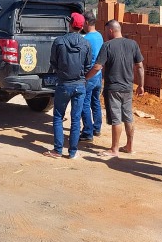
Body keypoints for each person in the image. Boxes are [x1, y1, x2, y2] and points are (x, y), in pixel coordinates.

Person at [85, 20, 144, 157]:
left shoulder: (107, 46)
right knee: (128, 117)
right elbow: (140, 66)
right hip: (128, 87)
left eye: (106, 31)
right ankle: (129, 146)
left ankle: (114, 149)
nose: (105, 34)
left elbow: (97, 67)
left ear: (111, 30)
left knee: (116, 118)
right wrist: (141, 85)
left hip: (113, 88)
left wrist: (86, 78)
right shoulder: (133, 44)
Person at [44, 12, 92, 159]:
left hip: (63, 84)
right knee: (75, 119)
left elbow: (53, 62)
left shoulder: (59, 41)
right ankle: (72, 152)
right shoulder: (86, 44)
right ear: (82, 26)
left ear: (70, 24)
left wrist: (60, 71)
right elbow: (88, 65)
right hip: (79, 85)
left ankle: (58, 150)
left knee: (58, 116)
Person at [79, 10, 104, 143]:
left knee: (84, 103)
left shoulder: (86, 39)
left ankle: (87, 132)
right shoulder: (99, 36)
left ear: (87, 22)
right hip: (99, 74)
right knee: (95, 102)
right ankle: (97, 128)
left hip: (89, 75)